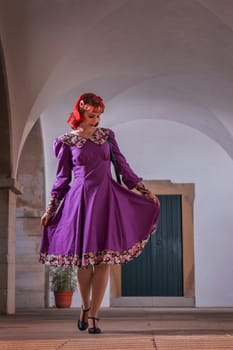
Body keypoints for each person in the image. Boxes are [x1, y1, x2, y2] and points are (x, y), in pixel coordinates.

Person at [40, 92, 160, 334]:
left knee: (104, 261)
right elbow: (62, 179)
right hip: (80, 201)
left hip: (106, 198)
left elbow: (122, 167)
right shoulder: (65, 142)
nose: (96, 120)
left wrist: (143, 190)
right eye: (91, 115)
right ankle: (85, 306)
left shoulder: (107, 137)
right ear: (80, 113)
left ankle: (94, 315)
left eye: (99, 116)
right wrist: (51, 208)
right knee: (85, 263)